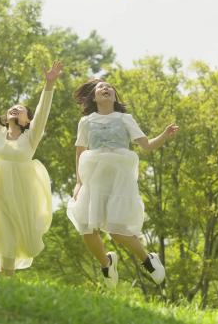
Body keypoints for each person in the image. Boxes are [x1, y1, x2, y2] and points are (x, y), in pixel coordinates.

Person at [67, 79, 179, 287]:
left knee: (117, 230)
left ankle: (148, 260)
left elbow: (146, 146)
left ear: (114, 96)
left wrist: (164, 135)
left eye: (109, 87)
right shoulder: (86, 122)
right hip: (93, 178)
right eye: (101, 87)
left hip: (119, 179)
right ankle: (106, 263)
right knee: (86, 227)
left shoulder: (125, 119)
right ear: (94, 97)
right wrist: (78, 183)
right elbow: (80, 151)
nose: (106, 88)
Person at [0, 57, 63, 276]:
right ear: (6, 117)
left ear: (27, 121)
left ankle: (5, 281)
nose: (15, 110)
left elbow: (43, 112)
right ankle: (6, 283)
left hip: (21, 198)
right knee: (5, 238)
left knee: (12, 241)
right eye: (12, 108)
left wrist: (49, 85)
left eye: (21, 109)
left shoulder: (30, 138)